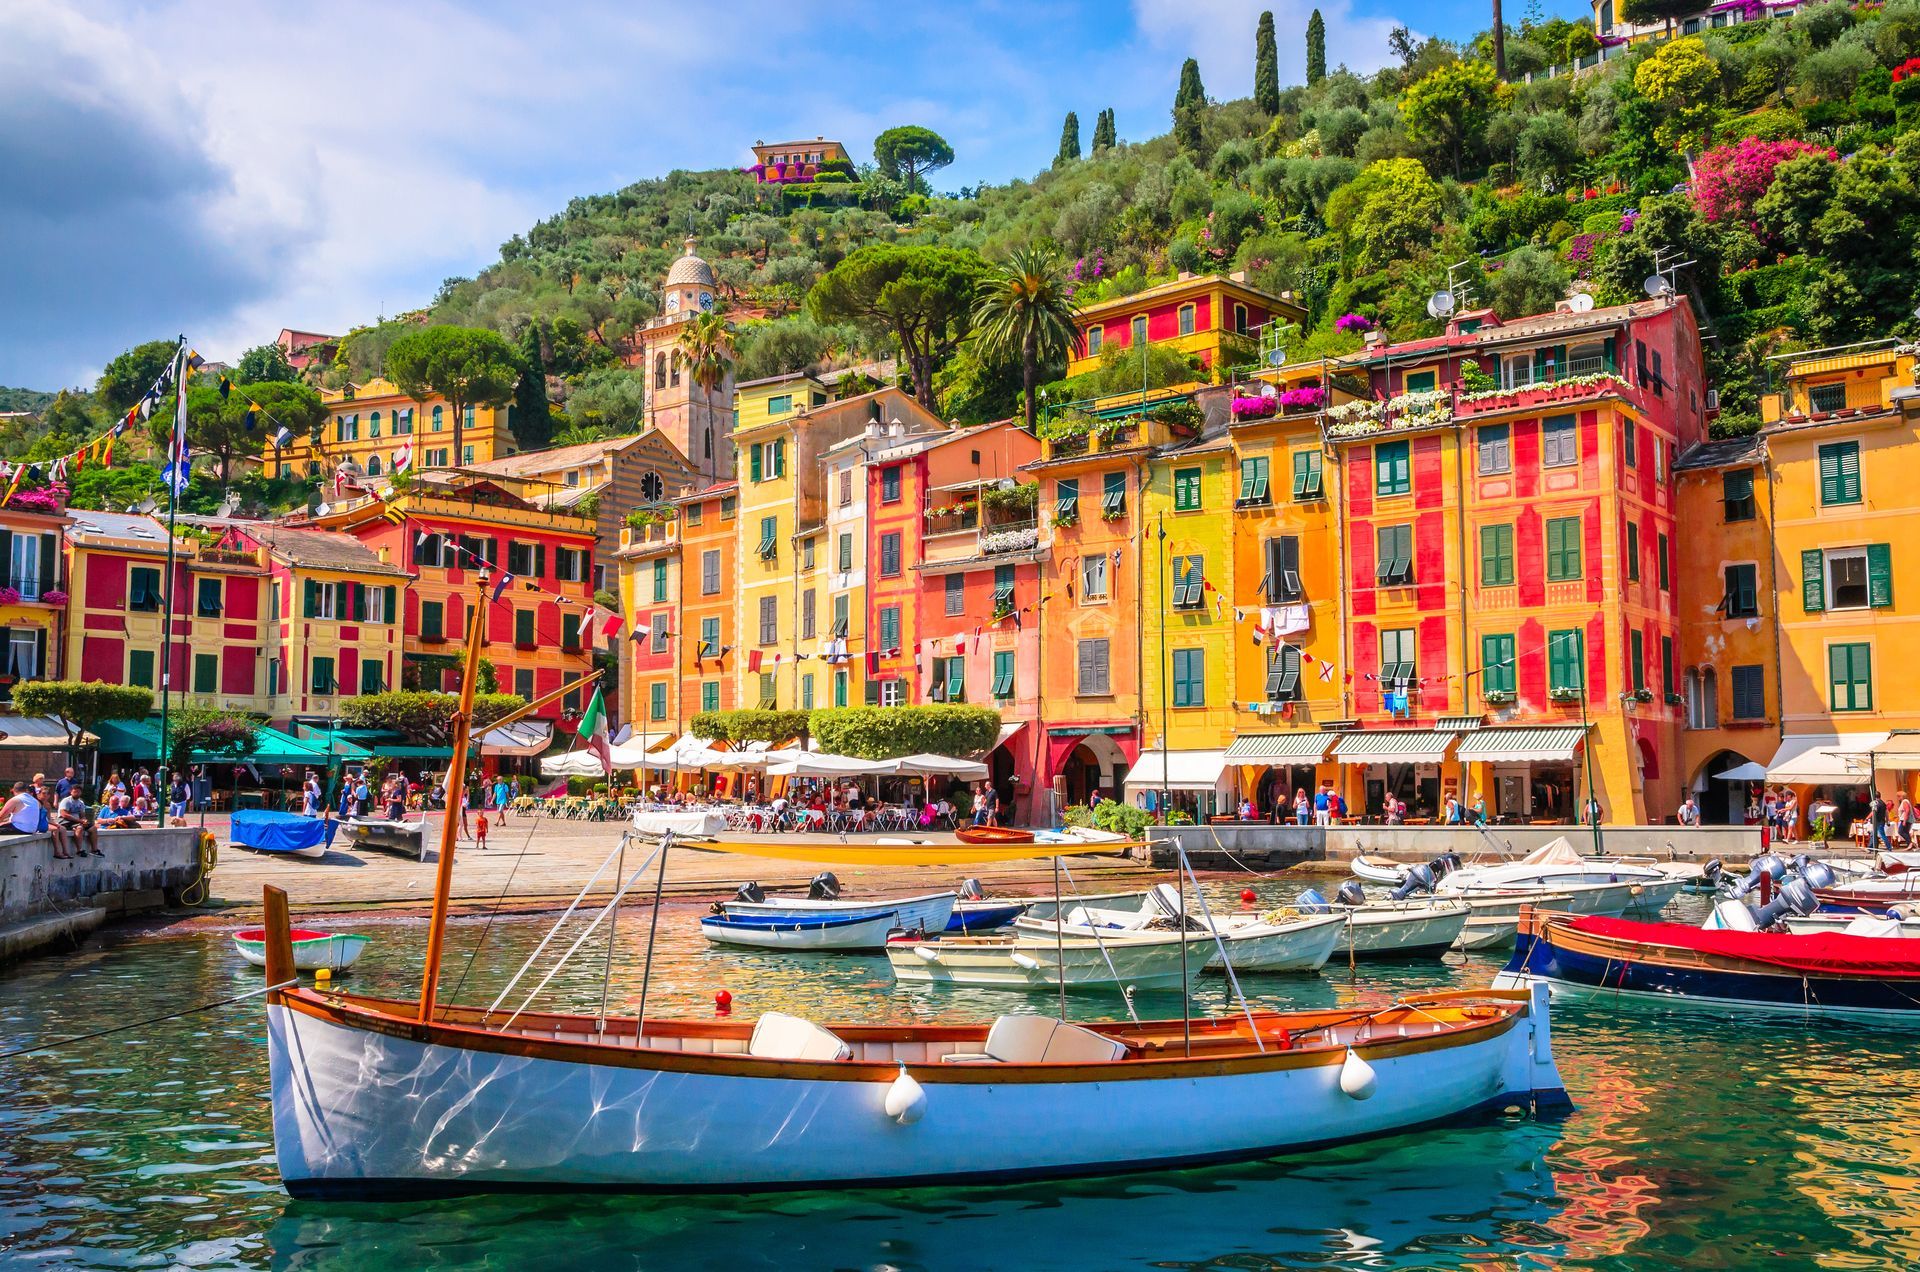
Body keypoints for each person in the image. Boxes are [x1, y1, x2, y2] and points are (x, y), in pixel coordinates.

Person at [56, 788, 100, 857]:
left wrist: (84, 820)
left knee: (93, 828)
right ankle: (79, 850)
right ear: (71, 792)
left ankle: (94, 850)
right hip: (65, 821)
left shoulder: (81, 803)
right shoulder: (66, 801)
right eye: (75, 791)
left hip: (77, 821)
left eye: (78, 792)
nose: (77, 793)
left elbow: (82, 815)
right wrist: (79, 821)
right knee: (79, 828)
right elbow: (64, 814)